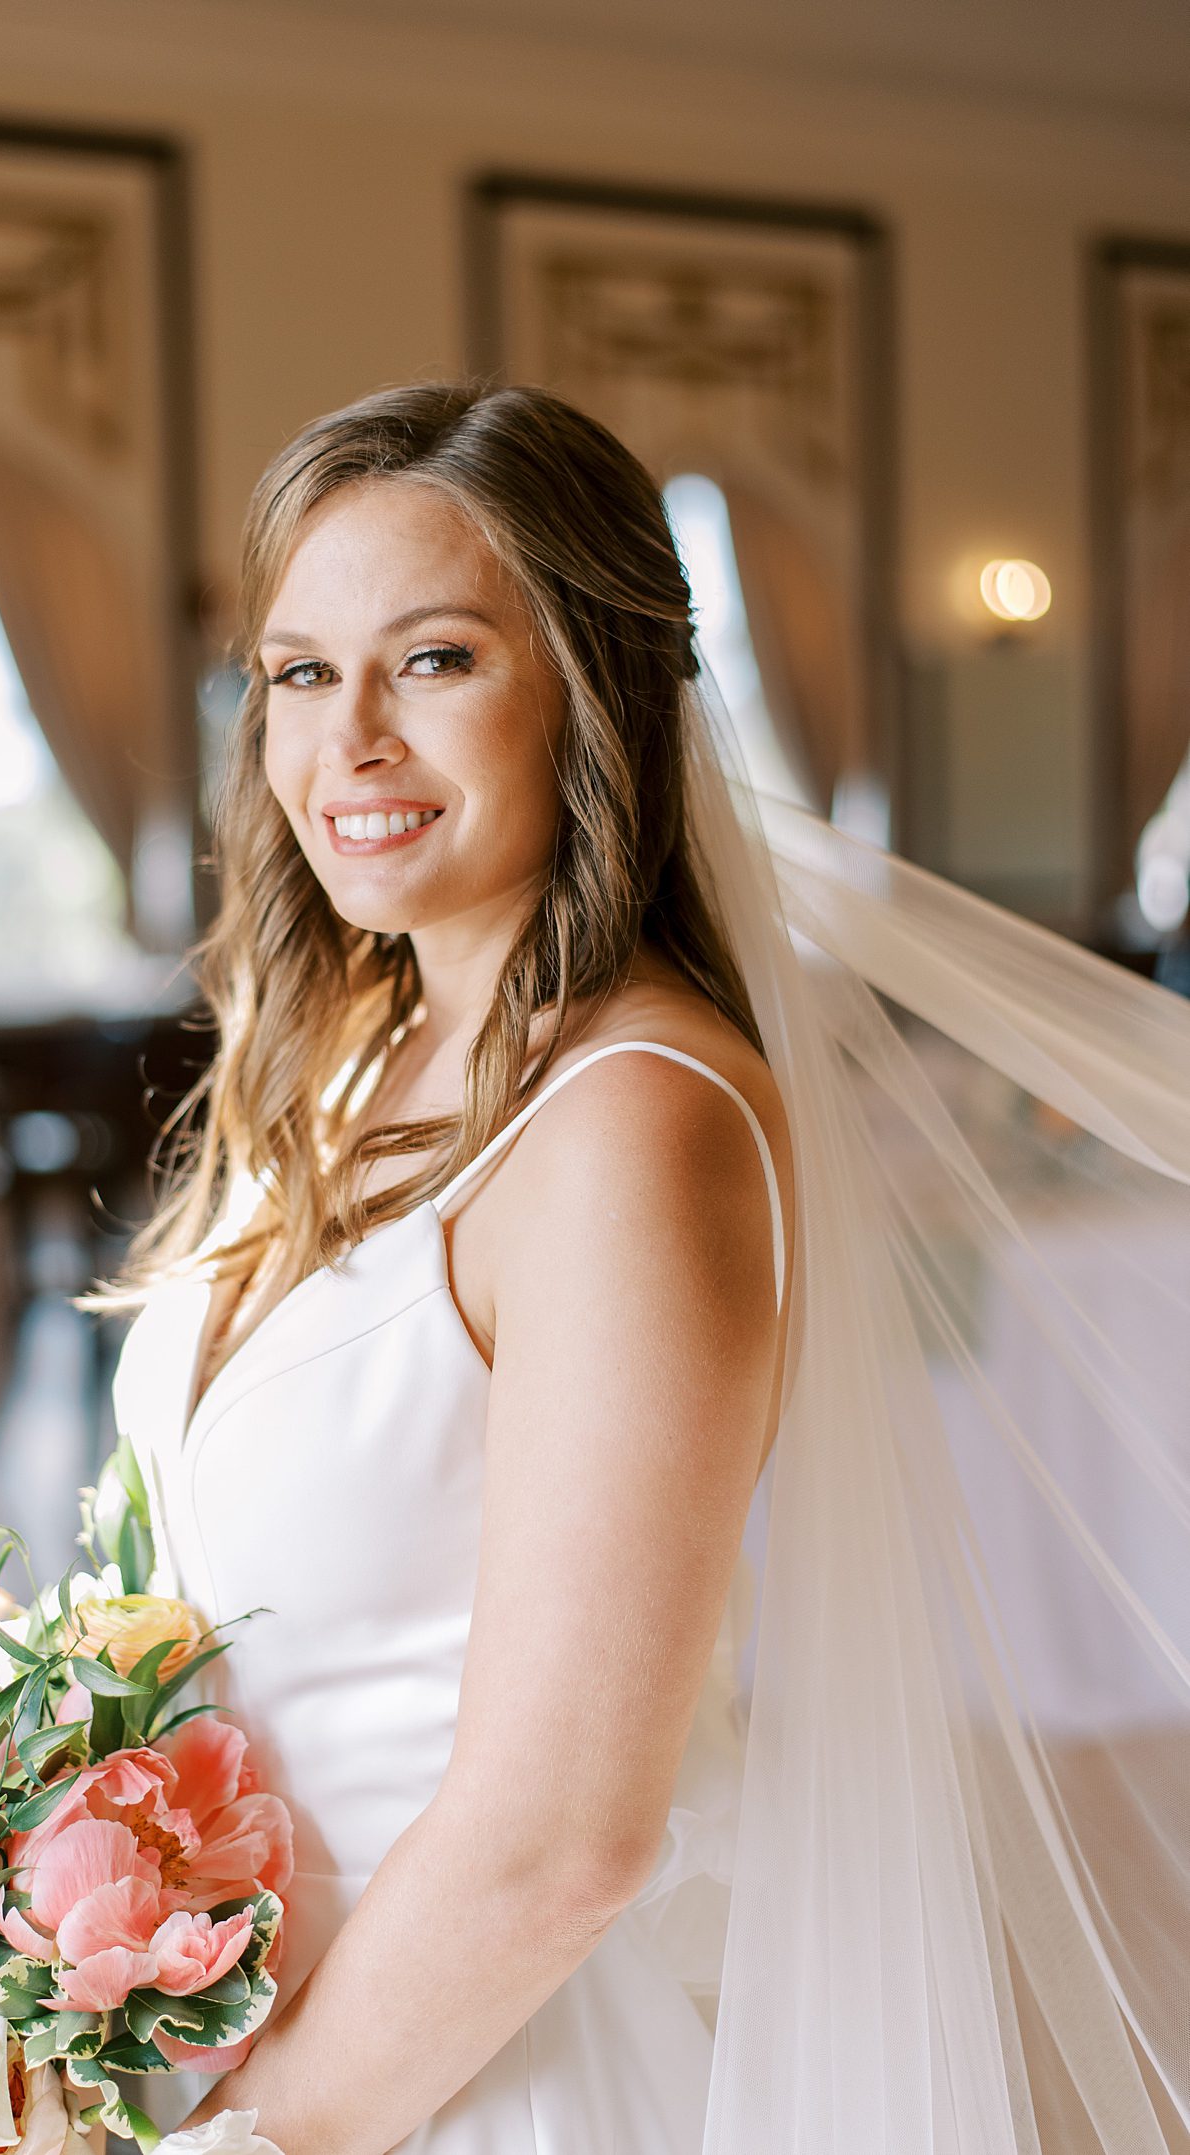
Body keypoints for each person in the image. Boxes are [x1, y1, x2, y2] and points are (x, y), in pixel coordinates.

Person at [107, 382, 1190, 2153]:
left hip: (462, 2084)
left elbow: (565, 1841)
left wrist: (260, 2133)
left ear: (593, 685)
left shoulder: (632, 1123)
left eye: (434, 660)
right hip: (240, 2029)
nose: (350, 740)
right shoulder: (359, 1058)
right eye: (301, 673)